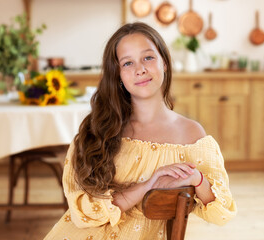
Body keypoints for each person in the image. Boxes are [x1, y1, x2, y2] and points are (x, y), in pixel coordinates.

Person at [44, 22, 237, 240]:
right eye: (127, 63)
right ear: (117, 74)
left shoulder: (191, 136)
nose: (140, 69)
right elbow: (82, 213)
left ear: (164, 62)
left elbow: (222, 211)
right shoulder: (94, 132)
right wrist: (148, 185)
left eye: (148, 57)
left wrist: (196, 179)